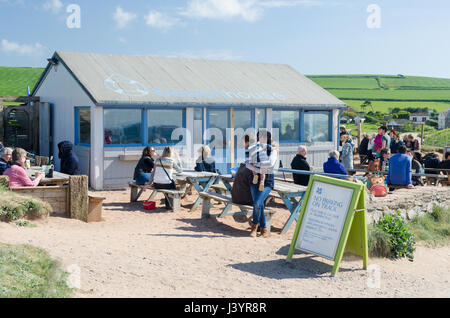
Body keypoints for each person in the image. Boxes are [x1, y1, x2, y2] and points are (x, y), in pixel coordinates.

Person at [246, 130, 278, 238]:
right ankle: (264, 228)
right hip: (254, 180)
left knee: (256, 203)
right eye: (259, 137)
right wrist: (257, 168)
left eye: (263, 137)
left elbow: (270, 163)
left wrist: (256, 165)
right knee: (259, 204)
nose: (260, 139)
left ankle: (254, 226)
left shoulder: (273, 150)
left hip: (267, 181)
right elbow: (247, 164)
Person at [231, 134, 255, 206]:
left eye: (243, 142)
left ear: (247, 142)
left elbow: (249, 162)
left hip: (236, 199)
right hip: (246, 200)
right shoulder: (254, 149)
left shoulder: (249, 149)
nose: (242, 144)